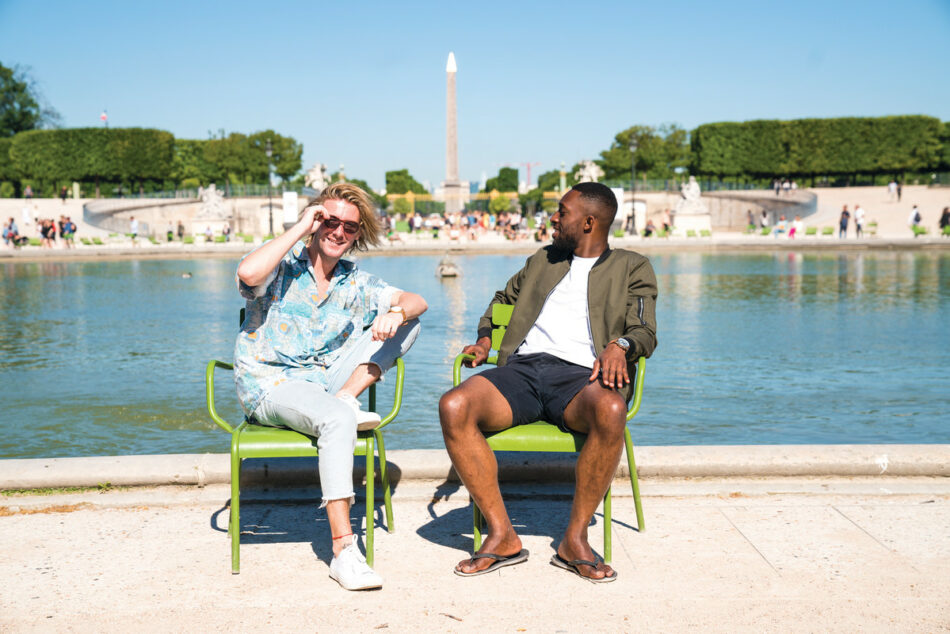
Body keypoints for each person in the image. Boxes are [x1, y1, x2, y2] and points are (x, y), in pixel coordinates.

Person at [439, 182, 658, 583]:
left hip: (581, 378)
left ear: (589, 222)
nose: (553, 219)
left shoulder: (632, 267)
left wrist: (620, 345)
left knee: (612, 409)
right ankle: (501, 535)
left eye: (562, 212)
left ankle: (575, 540)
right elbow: (502, 300)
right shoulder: (544, 259)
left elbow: (643, 328)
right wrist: (488, 337)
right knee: (455, 405)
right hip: (521, 372)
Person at [234, 182, 427, 591]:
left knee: (409, 323)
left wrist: (394, 312)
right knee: (338, 419)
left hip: (325, 381)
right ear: (316, 223)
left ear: (358, 234)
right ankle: (344, 551)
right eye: (330, 221)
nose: (339, 232)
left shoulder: (354, 281)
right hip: (271, 382)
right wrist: (302, 225)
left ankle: (344, 399)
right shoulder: (281, 269)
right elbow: (247, 273)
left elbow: (416, 300)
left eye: (350, 227)